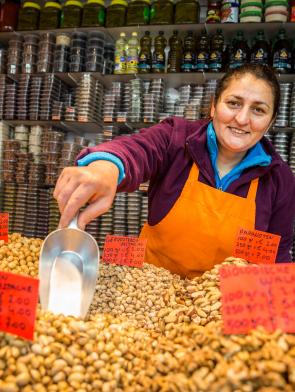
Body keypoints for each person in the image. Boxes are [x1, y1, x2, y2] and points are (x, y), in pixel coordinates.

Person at [54, 64, 295, 278]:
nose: (242, 119)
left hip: (219, 307)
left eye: (258, 110)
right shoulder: (177, 137)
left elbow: (275, 258)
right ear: (213, 106)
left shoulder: (280, 180)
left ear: (271, 122)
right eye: (233, 103)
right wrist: (106, 166)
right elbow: (139, 150)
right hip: (151, 292)